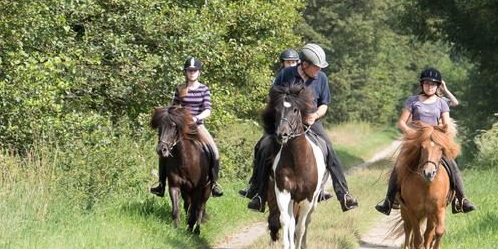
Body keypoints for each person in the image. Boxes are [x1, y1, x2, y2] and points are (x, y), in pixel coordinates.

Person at [247, 43, 358, 213]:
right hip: (285, 121)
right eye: (316, 66)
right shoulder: (285, 74)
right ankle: (257, 194)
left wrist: (315, 116)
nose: (319, 69)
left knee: (329, 150)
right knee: (263, 147)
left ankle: (344, 194)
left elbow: (324, 105)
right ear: (304, 64)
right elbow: (272, 97)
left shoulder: (321, 78)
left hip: (310, 121)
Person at [374, 67, 476, 215]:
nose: (430, 87)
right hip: (415, 141)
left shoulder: (442, 103)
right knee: (399, 165)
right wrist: (411, 132)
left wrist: (433, 133)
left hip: (435, 140)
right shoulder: (412, 101)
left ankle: (461, 199)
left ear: (438, 86)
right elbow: (402, 122)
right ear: (422, 84)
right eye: (427, 84)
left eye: (433, 84)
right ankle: (389, 201)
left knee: (452, 164)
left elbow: (445, 125)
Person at [150, 57, 224, 198]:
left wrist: (196, 118)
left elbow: (207, 110)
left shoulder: (204, 89)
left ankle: (214, 184)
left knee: (215, 152)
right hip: (181, 127)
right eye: (189, 71)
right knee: (165, 151)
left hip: (197, 125)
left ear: (199, 73)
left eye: (194, 71)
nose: (192, 73)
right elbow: (174, 109)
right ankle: (161, 184)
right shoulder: (180, 89)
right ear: (186, 72)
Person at [239, 48, 301, 199]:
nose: (291, 64)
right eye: (288, 62)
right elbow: (269, 99)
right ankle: (255, 187)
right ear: (283, 63)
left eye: (293, 62)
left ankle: (322, 186)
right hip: (279, 122)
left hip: (298, 122)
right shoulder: (279, 79)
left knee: (324, 146)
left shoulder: (301, 79)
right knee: (260, 146)